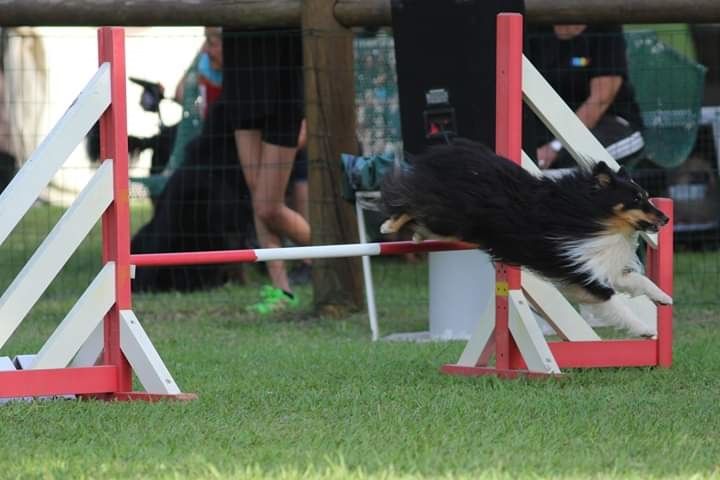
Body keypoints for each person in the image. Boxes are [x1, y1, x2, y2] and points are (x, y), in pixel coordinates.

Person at [222, 28, 311, 313]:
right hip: (243, 70)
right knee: (256, 189)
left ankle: (337, 255)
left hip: (284, 75)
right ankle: (281, 289)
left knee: (267, 206)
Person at [525, 25, 645, 170]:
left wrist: (555, 147)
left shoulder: (605, 28)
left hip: (608, 125)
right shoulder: (535, 28)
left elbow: (600, 100)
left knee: (579, 160)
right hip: (548, 127)